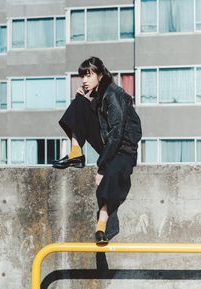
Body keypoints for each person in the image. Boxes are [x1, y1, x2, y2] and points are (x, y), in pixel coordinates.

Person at [52, 56, 142, 244]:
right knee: (78, 103)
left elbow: (117, 133)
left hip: (124, 150)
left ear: (100, 75)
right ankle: (76, 153)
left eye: (88, 75)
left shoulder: (114, 94)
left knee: (112, 173)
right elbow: (95, 123)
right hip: (109, 145)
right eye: (82, 76)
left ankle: (102, 225)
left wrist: (102, 167)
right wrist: (83, 99)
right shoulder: (98, 97)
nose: (84, 80)